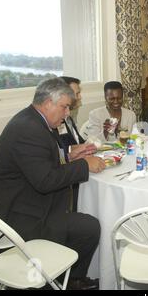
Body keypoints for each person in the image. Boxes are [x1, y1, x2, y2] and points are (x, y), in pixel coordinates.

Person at [0, 78, 106, 290]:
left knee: (85, 223)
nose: (66, 114)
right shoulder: (29, 130)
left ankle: (69, 279)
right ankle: (64, 281)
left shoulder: (33, 121)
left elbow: (41, 160)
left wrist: (70, 155)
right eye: (64, 107)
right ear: (47, 103)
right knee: (89, 227)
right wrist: (84, 166)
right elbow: (45, 181)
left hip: (26, 199)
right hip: (23, 215)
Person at [57, 76, 89, 212]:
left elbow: (79, 142)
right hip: (67, 180)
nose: (80, 97)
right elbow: (63, 151)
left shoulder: (68, 117)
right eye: (77, 93)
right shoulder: (57, 121)